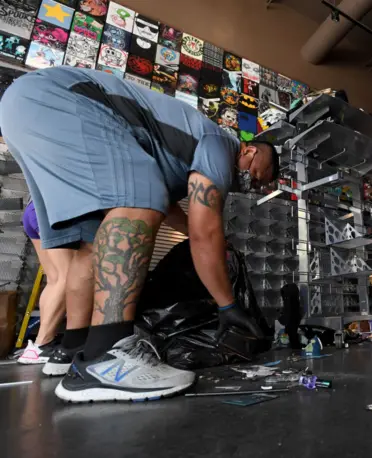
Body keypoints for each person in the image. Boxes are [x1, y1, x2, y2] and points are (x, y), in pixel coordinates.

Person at [0, 67, 278, 402]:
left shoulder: (177, 152)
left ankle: (74, 348)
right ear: (248, 152)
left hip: (24, 108)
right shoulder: (223, 144)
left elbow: (179, 218)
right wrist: (228, 306)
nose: (254, 185)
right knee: (140, 197)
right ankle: (107, 356)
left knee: (90, 247)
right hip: (62, 100)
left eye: (260, 185)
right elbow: (203, 229)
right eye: (259, 175)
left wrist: (204, 239)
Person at [17, 200, 74, 365]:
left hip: (33, 209)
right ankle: (43, 343)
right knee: (67, 277)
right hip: (52, 209)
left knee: (54, 279)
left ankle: (37, 347)